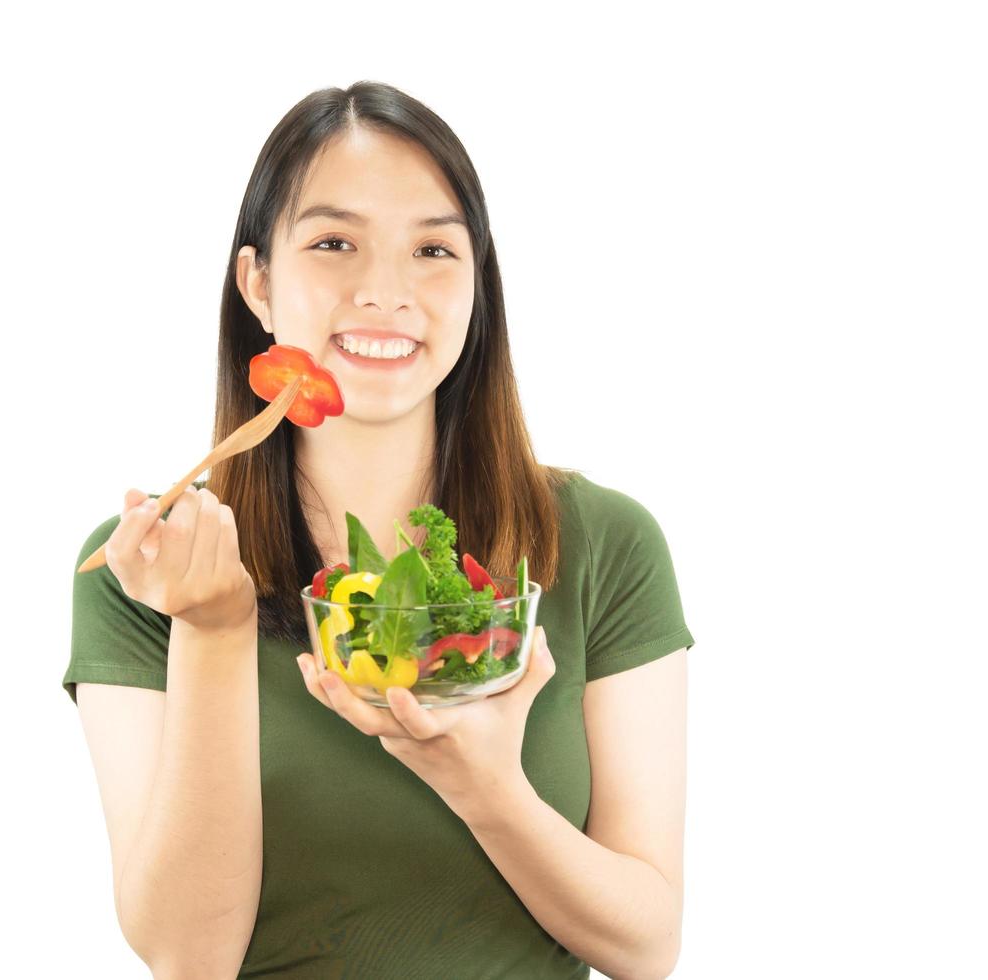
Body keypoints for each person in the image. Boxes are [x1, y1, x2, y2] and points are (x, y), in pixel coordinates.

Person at [62, 80, 695, 979]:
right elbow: (186, 955)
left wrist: (490, 794)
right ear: (258, 283)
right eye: (333, 243)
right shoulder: (151, 566)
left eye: (433, 249)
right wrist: (212, 631)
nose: (386, 293)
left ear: (479, 283)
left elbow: (647, 943)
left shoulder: (604, 544)